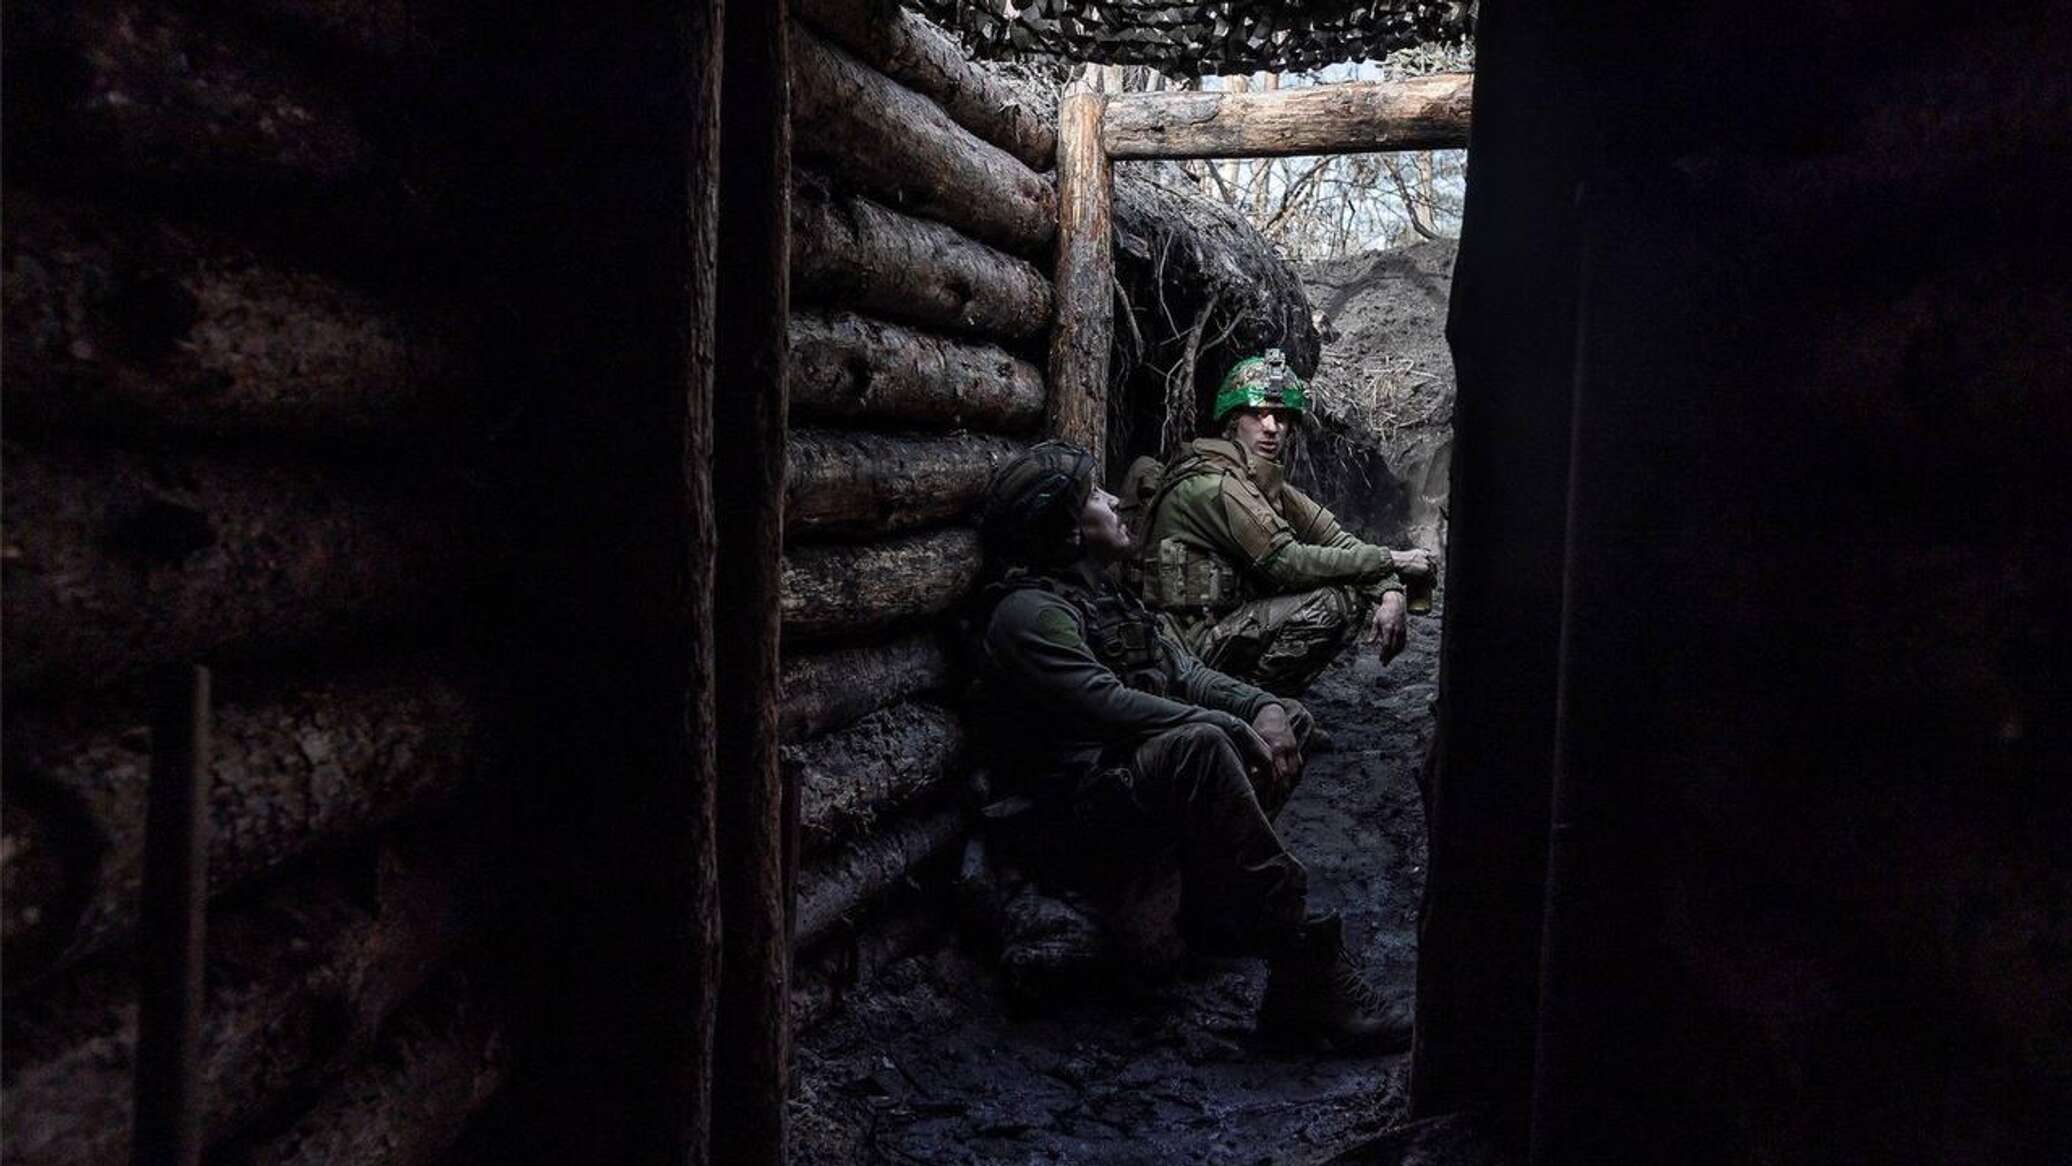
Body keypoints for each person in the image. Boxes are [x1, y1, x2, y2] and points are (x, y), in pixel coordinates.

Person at [966, 440, 1411, 1051]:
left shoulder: (1108, 597)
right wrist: (1228, 726)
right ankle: (1299, 959)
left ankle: (1206, 906)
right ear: (1067, 530)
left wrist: (1264, 707)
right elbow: (1108, 705)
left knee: (1292, 722)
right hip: (1069, 820)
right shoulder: (1029, 615)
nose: (1116, 500)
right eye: (1095, 496)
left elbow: (1187, 673)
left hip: (1125, 794)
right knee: (1201, 744)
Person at [1126, 349, 1436, 698]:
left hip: (1226, 631)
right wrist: (1392, 560)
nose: (1271, 428)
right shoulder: (1211, 486)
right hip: (1184, 651)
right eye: (1258, 415)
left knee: (1348, 586)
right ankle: (1252, 705)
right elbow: (1288, 564)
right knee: (1334, 602)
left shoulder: (1261, 483)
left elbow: (1338, 541)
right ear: (1232, 422)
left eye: (1281, 418)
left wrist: (1390, 589)